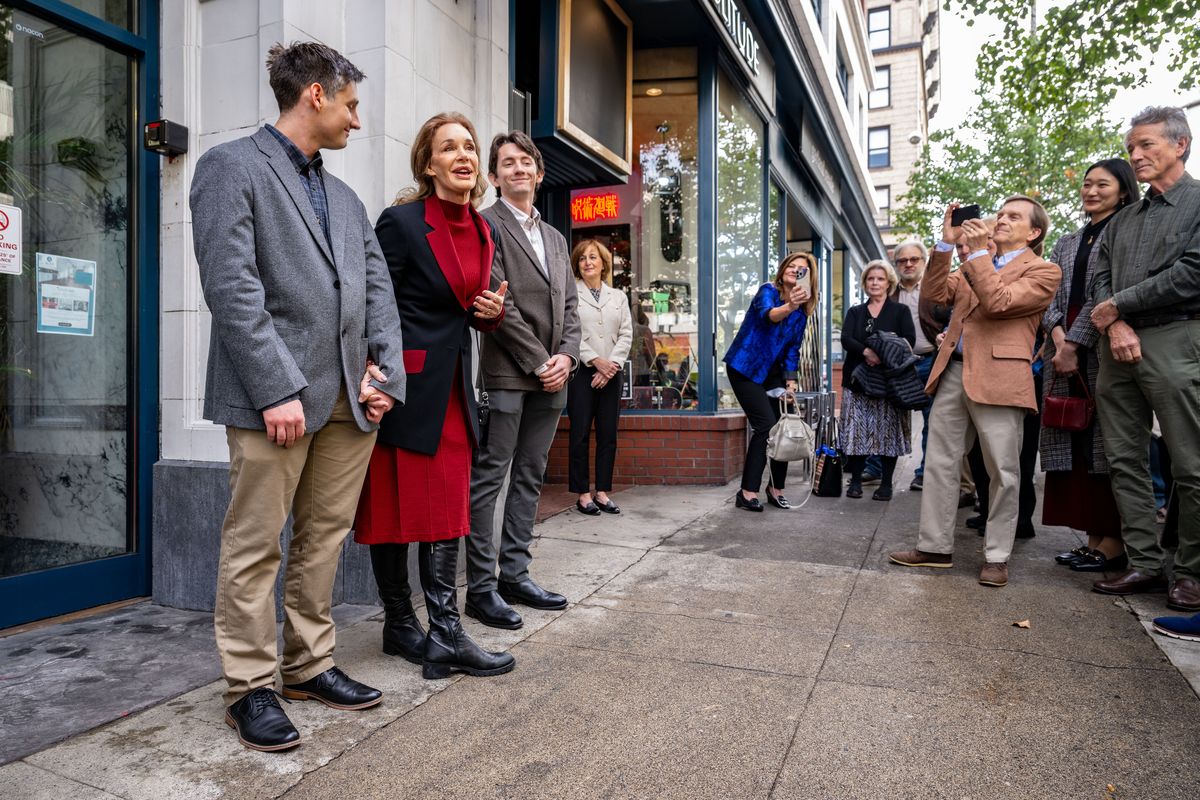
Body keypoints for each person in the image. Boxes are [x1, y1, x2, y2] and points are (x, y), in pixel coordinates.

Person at [190, 42, 406, 752]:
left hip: (351, 400)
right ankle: (250, 687)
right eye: (350, 104)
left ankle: (310, 665)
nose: (357, 121)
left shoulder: (345, 198)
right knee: (255, 544)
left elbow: (379, 291)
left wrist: (384, 375)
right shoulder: (229, 167)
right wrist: (274, 386)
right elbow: (232, 287)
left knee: (323, 540)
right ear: (316, 95)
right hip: (272, 400)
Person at [355, 112, 515, 680]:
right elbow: (374, 303)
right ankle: (402, 626)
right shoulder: (399, 222)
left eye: (469, 147)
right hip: (402, 389)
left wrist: (489, 316)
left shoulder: (482, 228)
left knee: (447, 509)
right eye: (449, 148)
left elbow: (469, 308)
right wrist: (375, 375)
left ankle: (443, 630)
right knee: (393, 510)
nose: (463, 155)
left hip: (454, 390)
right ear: (430, 164)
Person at [889, 198, 1060, 588]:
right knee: (939, 462)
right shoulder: (975, 262)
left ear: (1033, 233)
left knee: (1003, 469)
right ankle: (933, 547)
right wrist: (947, 246)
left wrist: (980, 253)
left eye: (1013, 216)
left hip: (1001, 377)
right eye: (1001, 213)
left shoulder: (1045, 271)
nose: (1001, 219)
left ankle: (997, 555)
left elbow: (998, 303)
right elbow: (934, 294)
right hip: (953, 371)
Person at [466, 131, 581, 630]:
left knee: (531, 476)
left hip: (554, 378)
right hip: (509, 373)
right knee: (491, 477)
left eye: (525, 162)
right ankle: (480, 587)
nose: (517, 169)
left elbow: (572, 307)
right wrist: (540, 360)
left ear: (538, 173)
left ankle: (515, 574)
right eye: (507, 163)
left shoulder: (555, 237)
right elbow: (500, 303)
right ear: (494, 177)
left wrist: (567, 359)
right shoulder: (484, 226)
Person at [1090, 106, 1200, 612]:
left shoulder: (1197, 203)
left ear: (1180, 145)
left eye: (1147, 145)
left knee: (1189, 463)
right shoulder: (1122, 221)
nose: (1136, 155)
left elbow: (1192, 273)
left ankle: (1190, 572)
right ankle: (1145, 563)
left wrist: (1121, 306)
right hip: (1117, 344)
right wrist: (1114, 322)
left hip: (1179, 339)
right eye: (1131, 146)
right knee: (1124, 460)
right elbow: (1100, 281)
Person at [1040, 159, 1139, 572]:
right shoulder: (1067, 240)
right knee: (1071, 440)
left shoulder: (1127, 230)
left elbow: (1108, 293)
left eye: (1103, 184)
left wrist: (1075, 342)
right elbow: (1051, 296)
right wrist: (1059, 337)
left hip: (1103, 342)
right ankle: (1090, 538)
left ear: (1123, 189)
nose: (1091, 191)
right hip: (1062, 343)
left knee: (1105, 445)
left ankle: (1113, 543)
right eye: (1086, 184)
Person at [723, 251, 817, 511]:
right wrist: (791, 305)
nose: (794, 270)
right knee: (766, 426)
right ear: (784, 268)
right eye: (791, 265)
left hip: (774, 373)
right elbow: (768, 316)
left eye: (802, 269)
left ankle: (776, 489)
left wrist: (790, 382)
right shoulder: (768, 291)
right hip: (745, 367)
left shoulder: (802, 313)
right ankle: (747, 492)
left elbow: (792, 349)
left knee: (783, 427)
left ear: (807, 278)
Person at [840, 260, 916, 501]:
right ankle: (856, 481)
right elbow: (846, 339)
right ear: (864, 283)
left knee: (888, 433)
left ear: (889, 283)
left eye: (880, 279)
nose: (875, 283)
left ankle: (886, 484)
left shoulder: (900, 312)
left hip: (888, 382)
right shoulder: (855, 312)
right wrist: (866, 352)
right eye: (870, 279)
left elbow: (908, 341)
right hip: (858, 382)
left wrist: (882, 356)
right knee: (857, 433)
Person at [569, 239, 633, 515]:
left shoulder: (618, 297)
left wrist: (611, 366)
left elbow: (626, 334)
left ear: (603, 263)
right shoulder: (571, 293)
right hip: (582, 372)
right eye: (582, 258)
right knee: (580, 433)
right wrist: (595, 361)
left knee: (608, 435)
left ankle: (603, 492)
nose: (588, 262)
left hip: (612, 374)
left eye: (593, 257)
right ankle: (583, 494)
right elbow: (568, 332)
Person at [890, 241, 937, 491]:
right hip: (899, 367)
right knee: (890, 418)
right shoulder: (890, 292)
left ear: (924, 261)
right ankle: (877, 468)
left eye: (914, 259)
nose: (908, 264)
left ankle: (924, 473)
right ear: (895, 264)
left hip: (930, 361)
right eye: (902, 260)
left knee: (933, 421)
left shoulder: (935, 289)